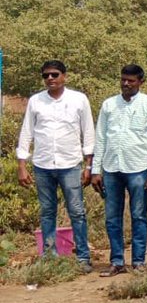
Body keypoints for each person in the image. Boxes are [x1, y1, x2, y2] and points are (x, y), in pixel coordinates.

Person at [16, 60, 95, 271]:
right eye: (46, 76)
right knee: (47, 211)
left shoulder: (78, 100)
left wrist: (89, 165)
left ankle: (83, 258)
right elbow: (27, 132)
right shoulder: (36, 101)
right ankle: (49, 257)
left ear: (64, 76)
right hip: (42, 164)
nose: (50, 79)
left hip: (70, 164)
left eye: (54, 74)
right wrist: (22, 164)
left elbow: (88, 132)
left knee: (77, 211)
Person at [92, 64, 147, 277]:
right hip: (112, 168)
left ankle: (139, 262)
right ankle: (116, 261)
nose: (125, 83)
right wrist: (96, 169)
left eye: (131, 80)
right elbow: (101, 137)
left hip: (138, 168)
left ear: (140, 82)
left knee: (139, 216)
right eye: (123, 79)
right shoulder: (108, 104)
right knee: (112, 217)